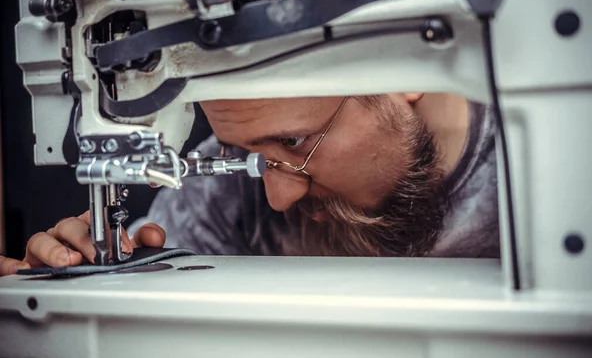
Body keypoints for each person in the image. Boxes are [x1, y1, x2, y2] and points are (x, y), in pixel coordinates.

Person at [0, 92, 499, 276]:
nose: (278, 198)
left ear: (400, 71)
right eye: (244, 150)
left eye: (294, 140)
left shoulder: (550, 172)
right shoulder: (228, 177)